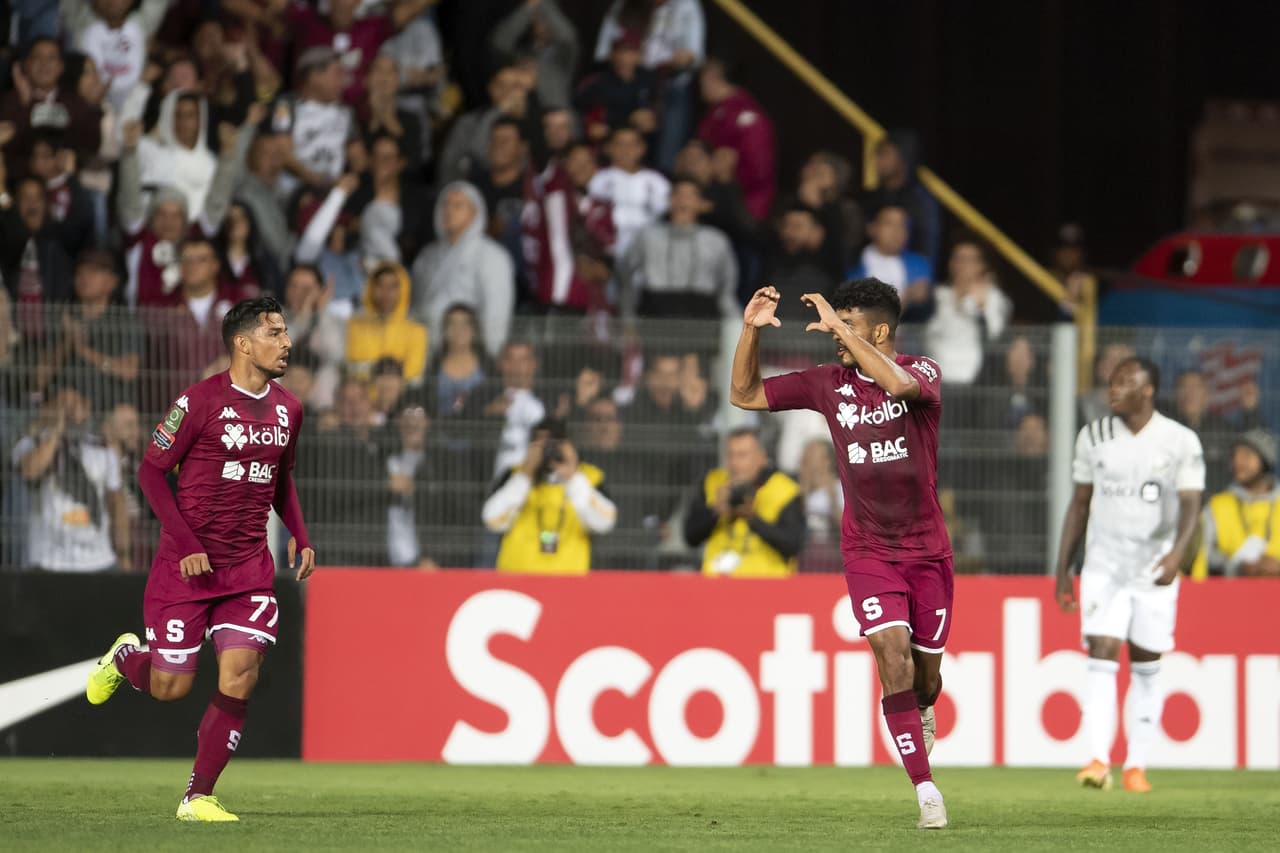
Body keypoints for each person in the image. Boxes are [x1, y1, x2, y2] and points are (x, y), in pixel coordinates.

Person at [729, 278, 952, 829]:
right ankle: (925, 790)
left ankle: (923, 709)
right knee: (892, 657)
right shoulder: (830, 383)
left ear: (880, 331)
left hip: (927, 552)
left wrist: (842, 331)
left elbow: (897, 385)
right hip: (868, 550)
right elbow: (745, 395)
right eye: (836, 324)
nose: (835, 334)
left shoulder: (923, 371)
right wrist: (749, 332)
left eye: (848, 325)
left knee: (925, 681)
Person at [84, 296, 315, 822]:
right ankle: (125, 658)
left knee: (240, 674)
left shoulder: (290, 409)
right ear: (243, 343)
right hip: (185, 570)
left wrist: (300, 535)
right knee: (171, 686)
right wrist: (187, 543)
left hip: (248, 571)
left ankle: (198, 797)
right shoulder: (198, 402)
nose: (287, 343)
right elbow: (150, 472)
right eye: (275, 333)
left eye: (285, 332)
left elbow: (280, 478)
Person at [1053, 357, 1205, 794]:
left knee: (1146, 661)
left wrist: (1176, 555)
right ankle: (1098, 760)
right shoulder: (1094, 436)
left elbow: (1192, 504)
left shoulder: (1180, 441)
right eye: (1112, 381)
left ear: (1148, 389)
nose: (1113, 389)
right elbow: (1080, 503)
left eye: (1124, 382)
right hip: (1105, 566)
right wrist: (1063, 570)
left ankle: (1136, 765)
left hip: (1155, 569)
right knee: (1101, 652)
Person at [12, 384, 129, 571]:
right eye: (64, 404)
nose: (71, 411)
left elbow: (117, 502)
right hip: (49, 562)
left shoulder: (103, 448)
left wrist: (123, 554)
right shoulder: (30, 443)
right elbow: (30, 471)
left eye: (76, 404)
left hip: (99, 561)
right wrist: (56, 431)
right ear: (48, 408)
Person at [482, 417, 617, 574]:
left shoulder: (589, 477)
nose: (546, 452)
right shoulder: (515, 475)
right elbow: (492, 520)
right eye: (539, 445)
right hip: (518, 578)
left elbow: (604, 523)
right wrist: (525, 475)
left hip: (571, 580)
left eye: (552, 445)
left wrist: (573, 476)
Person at [410, 182, 514, 359]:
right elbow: (417, 302)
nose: (449, 211)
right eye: (445, 205)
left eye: (458, 205)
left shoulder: (491, 255)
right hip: (425, 351)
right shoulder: (428, 255)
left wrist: (490, 354)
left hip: (468, 354)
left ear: (475, 212)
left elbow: (497, 309)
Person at [683, 427, 805, 578]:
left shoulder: (785, 490)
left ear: (761, 457)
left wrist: (752, 518)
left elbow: (793, 545)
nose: (735, 463)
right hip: (717, 583)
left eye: (742, 455)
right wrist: (715, 512)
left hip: (766, 584)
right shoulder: (713, 482)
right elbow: (690, 537)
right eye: (730, 455)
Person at [617, 177, 737, 320]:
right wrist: (628, 318)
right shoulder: (647, 237)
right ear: (669, 200)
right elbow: (625, 275)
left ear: (701, 203)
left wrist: (735, 324)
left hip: (702, 317)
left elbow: (727, 290)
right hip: (654, 315)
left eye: (690, 196)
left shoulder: (716, 241)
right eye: (677, 195)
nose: (682, 201)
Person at [923, 236, 1011, 385]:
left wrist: (981, 306)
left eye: (969, 260)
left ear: (981, 265)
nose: (963, 265)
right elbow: (924, 333)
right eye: (958, 259)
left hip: (976, 379)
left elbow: (995, 335)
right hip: (937, 376)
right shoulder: (938, 295)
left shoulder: (993, 296)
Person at [1192, 429, 1279, 578]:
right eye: (1235, 456)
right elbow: (1202, 556)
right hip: (1230, 589)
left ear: (1265, 460)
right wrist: (1236, 567)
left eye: (1246, 455)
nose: (1238, 462)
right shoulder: (1217, 505)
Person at [696, 56, 775, 220]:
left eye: (703, 75)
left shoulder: (747, 115)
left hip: (743, 209)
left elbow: (758, 169)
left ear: (713, 75)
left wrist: (722, 172)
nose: (699, 82)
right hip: (717, 202)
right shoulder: (716, 112)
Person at [587, 125, 669, 257]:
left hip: (649, 249)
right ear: (608, 148)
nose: (626, 150)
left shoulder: (657, 181)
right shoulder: (598, 180)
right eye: (620, 144)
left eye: (632, 145)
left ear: (642, 148)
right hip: (608, 251)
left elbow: (662, 215)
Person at [345, 261, 428, 385]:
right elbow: (352, 370)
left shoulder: (417, 332)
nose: (386, 292)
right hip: (361, 396)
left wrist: (369, 368)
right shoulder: (354, 326)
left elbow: (413, 376)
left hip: (399, 396)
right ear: (371, 289)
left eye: (393, 286)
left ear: (403, 290)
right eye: (380, 285)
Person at [850, 204, 932, 322]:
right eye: (889, 224)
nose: (897, 231)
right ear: (872, 228)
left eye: (902, 225)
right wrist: (907, 298)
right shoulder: (854, 265)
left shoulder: (919, 264)